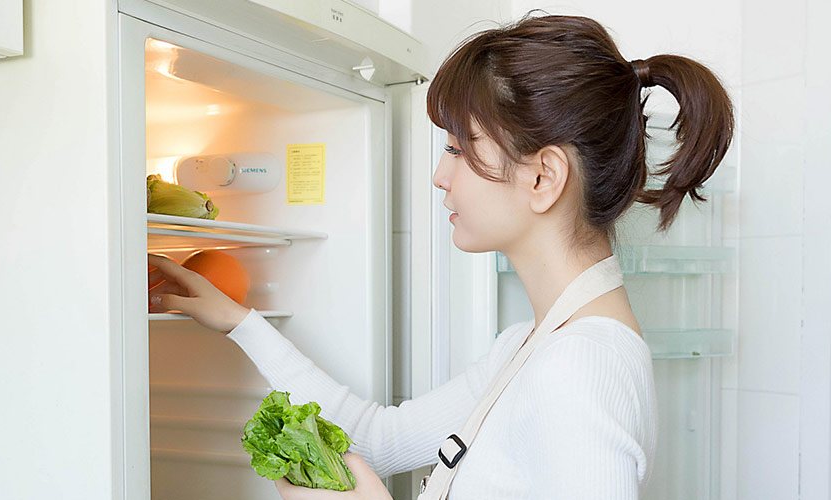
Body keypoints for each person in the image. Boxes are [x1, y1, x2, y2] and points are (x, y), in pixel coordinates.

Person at [149, 12, 733, 500]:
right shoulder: (531, 347)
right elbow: (376, 439)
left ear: (543, 178)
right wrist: (242, 323)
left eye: (458, 148)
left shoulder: (582, 367)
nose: (439, 174)